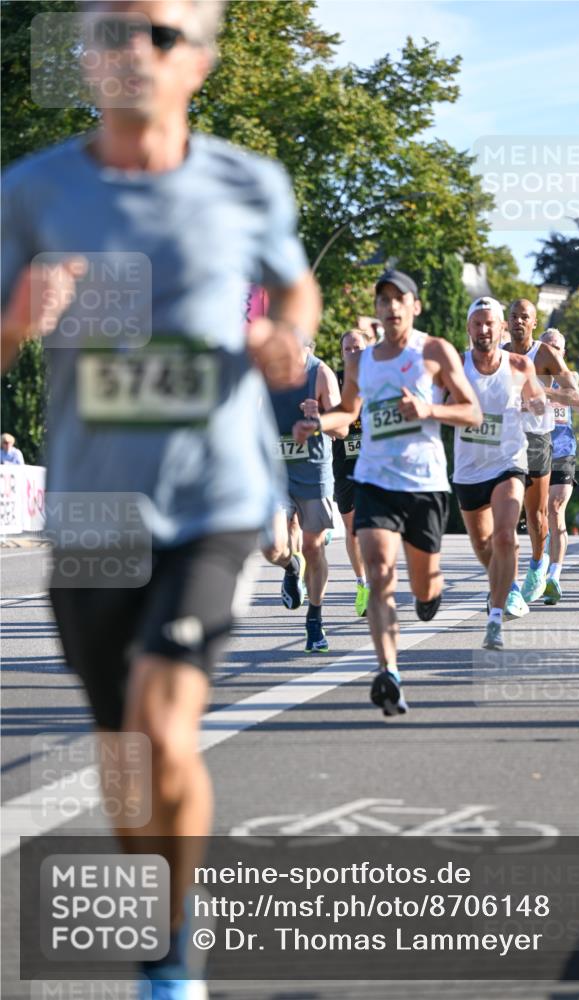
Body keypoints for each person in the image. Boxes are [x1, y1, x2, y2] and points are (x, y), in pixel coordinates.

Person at [1, 2, 320, 996]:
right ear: (84, 57)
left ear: (201, 60)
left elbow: (294, 288)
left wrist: (286, 339)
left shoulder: (246, 182)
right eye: (112, 33)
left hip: (212, 500)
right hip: (95, 512)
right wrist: (17, 319)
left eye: (161, 34)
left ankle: (175, 958)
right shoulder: (33, 190)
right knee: (124, 753)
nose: (135, 52)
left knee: (161, 722)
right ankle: (166, 916)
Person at [293, 269, 482, 715]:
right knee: (379, 574)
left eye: (400, 298)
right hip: (374, 480)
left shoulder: (434, 351)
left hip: (424, 484)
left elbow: (472, 412)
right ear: (377, 311)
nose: (391, 306)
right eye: (383, 300)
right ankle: (388, 673)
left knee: (422, 587)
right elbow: (348, 412)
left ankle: (430, 594)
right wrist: (318, 422)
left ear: (415, 306)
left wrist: (428, 409)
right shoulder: (362, 362)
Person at [453, 298, 546, 650]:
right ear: (468, 328)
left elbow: (538, 402)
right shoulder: (457, 365)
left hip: (509, 461)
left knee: (506, 537)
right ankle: (502, 584)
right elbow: (433, 402)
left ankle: (495, 616)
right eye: (477, 323)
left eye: (489, 323)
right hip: (469, 468)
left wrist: (534, 404)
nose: (483, 329)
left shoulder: (520, 364)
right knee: (484, 545)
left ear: (501, 327)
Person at [504, 299, 579, 613]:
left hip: (539, 440)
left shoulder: (545, 354)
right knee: (505, 515)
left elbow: (573, 394)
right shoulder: (499, 353)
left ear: (533, 322)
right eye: (513, 316)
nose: (518, 321)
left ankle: (539, 564)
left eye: (524, 317)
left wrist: (541, 391)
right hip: (506, 441)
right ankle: (508, 588)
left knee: (538, 518)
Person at [263, 342, 341, 652]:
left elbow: (342, 429)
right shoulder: (265, 370)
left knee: (313, 547)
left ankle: (315, 618)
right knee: (271, 546)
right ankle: (291, 566)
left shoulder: (320, 373)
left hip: (313, 474)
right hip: (276, 475)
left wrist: (320, 417)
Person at [540, 328, 579, 603]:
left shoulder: (569, 376)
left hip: (563, 449)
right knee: (540, 516)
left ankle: (554, 575)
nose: (551, 351)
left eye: (556, 347)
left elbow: (573, 398)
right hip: (535, 448)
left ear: (563, 353)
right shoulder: (529, 372)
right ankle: (539, 565)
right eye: (546, 346)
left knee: (556, 509)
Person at [332, 327, 376, 616]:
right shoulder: (335, 381)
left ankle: (376, 582)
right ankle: (362, 583)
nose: (352, 353)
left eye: (357, 347)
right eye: (347, 349)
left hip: (375, 465)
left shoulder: (380, 378)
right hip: (345, 465)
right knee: (353, 530)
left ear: (368, 348)